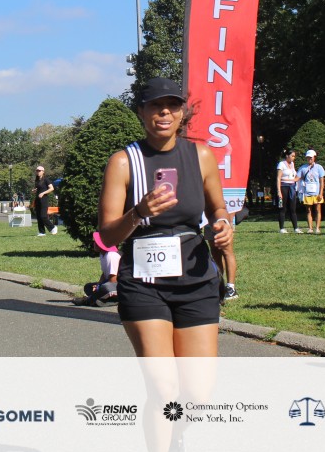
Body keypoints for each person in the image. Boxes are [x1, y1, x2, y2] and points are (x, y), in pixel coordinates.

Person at [97, 77, 233, 358]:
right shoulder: (123, 162)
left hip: (196, 281)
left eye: (173, 105)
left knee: (197, 383)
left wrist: (222, 223)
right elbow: (106, 236)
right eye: (155, 105)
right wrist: (139, 212)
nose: (165, 112)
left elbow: (217, 209)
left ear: (183, 112)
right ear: (141, 111)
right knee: (163, 381)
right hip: (144, 285)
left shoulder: (201, 155)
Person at [74, 231, 120, 306]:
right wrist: (98, 284)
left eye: (96, 242)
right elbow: (104, 274)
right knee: (88, 287)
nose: (94, 243)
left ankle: (88, 300)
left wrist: (100, 286)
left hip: (120, 286)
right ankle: (105, 300)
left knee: (105, 288)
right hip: (110, 284)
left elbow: (113, 280)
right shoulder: (103, 255)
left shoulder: (111, 256)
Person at [296, 150, 325, 234]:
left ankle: (317, 228)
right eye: (308, 157)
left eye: (311, 157)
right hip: (307, 192)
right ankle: (310, 228)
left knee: (318, 210)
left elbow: (322, 181)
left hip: (317, 193)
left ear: (314, 157)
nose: (309, 159)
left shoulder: (319, 167)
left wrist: (321, 193)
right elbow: (297, 177)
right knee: (308, 211)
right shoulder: (303, 168)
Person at [276, 149, 299, 233]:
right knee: (283, 208)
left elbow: (295, 175)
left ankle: (296, 228)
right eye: (292, 156)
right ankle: (282, 228)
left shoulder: (292, 164)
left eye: (294, 156)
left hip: (291, 187)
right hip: (283, 186)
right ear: (287, 156)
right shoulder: (281, 164)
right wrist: (279, 191)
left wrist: (295, 179)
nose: (293, 158)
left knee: (293, 208)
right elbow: (278, 178)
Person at [33, 165, 57, 236]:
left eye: (39, 171)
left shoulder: (46, 180)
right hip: (37, 200)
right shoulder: (37, 180)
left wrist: (43, 193)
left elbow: (51, 188)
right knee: (38, 216)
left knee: (43, 216)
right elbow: (38, 188)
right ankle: (42, 232)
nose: (38, 172)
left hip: (44, 199)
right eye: (37, 170)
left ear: (43, 172)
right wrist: (34, 190)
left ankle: (53, 227)